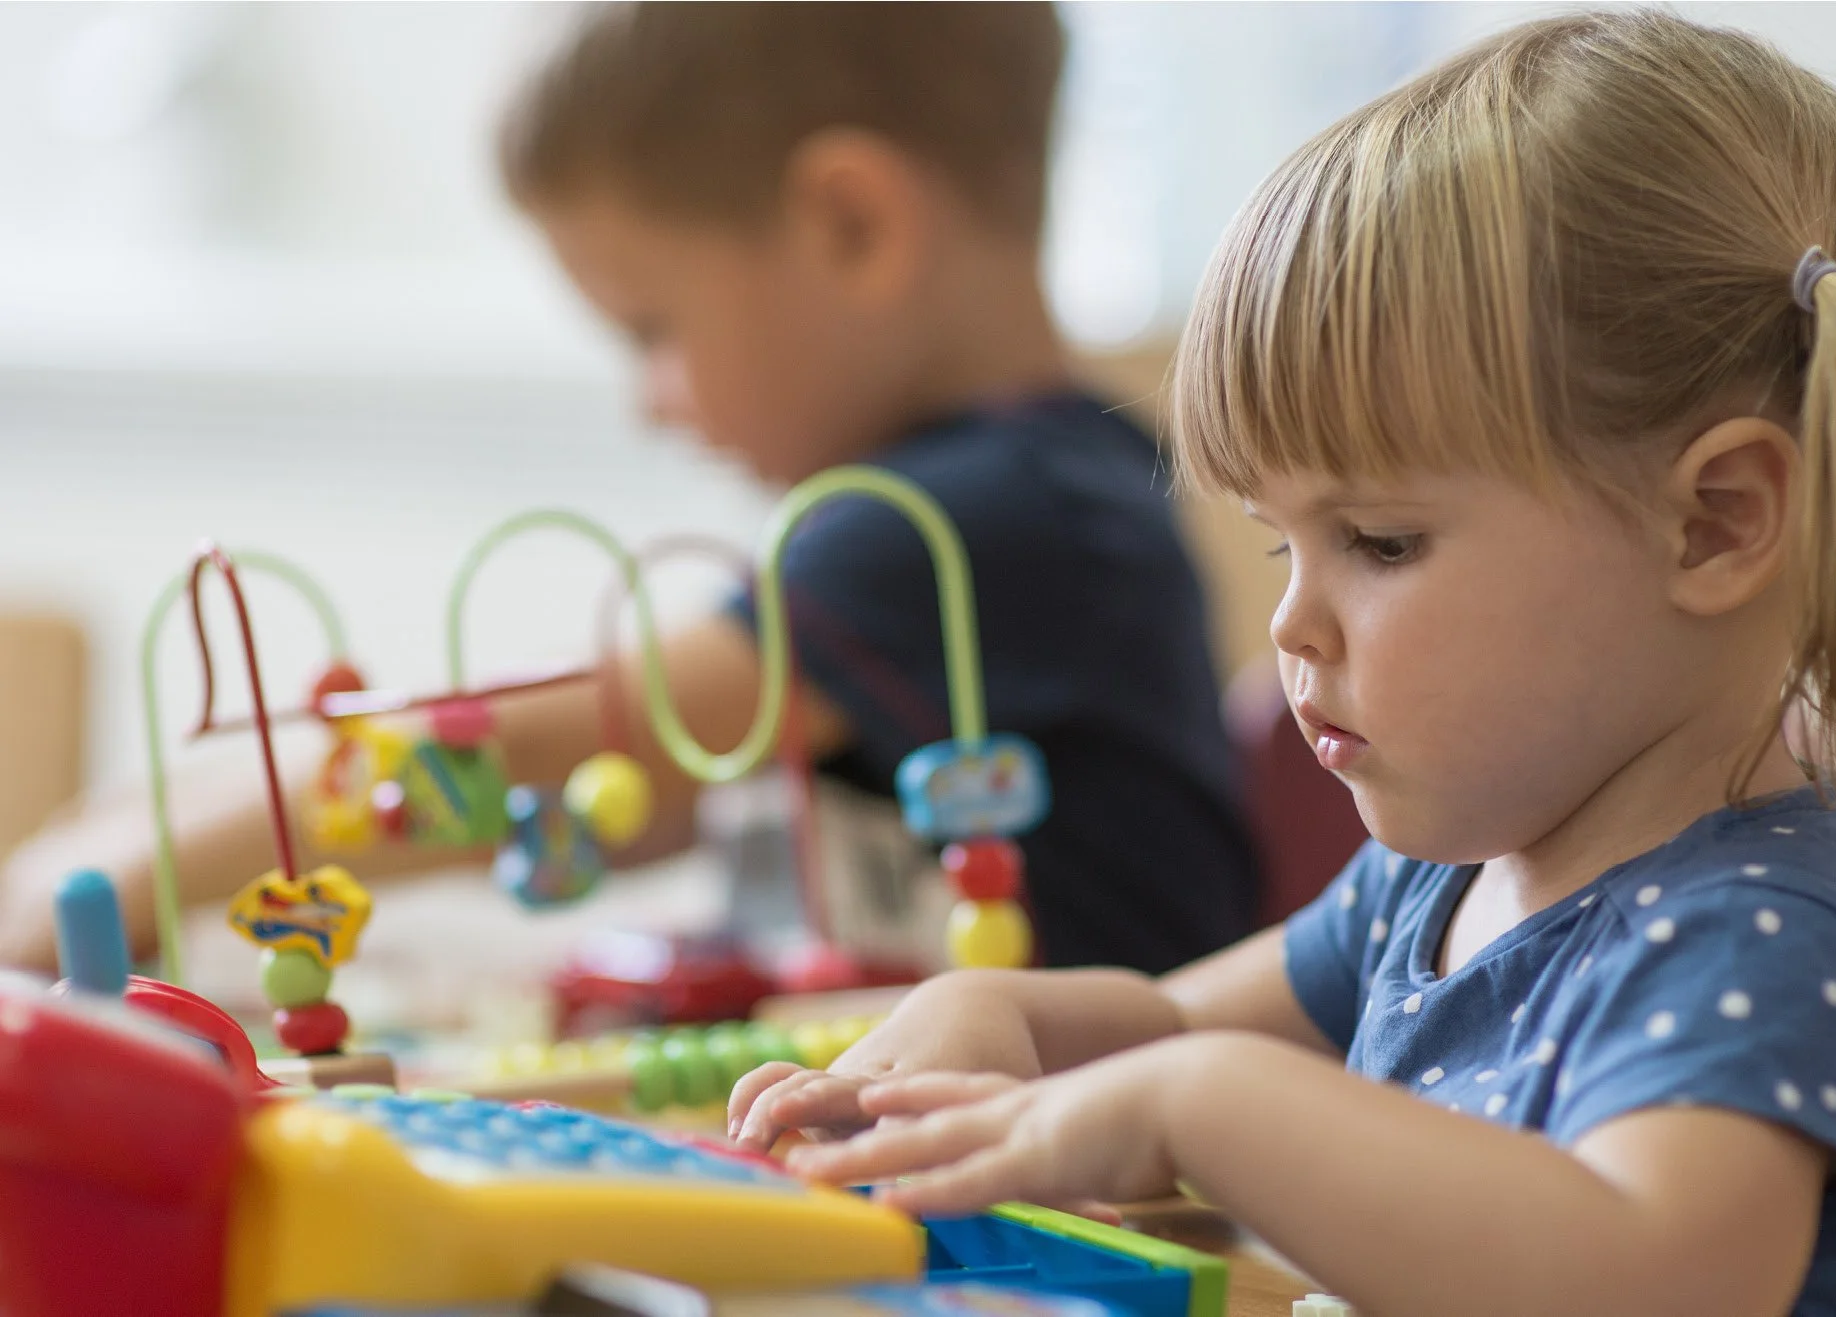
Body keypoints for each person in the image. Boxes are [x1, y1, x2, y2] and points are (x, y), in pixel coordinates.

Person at [726, 12, 1836, 1317]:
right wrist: (1004, 1017)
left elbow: (1641, 1269)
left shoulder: (1765, 942)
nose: (1288, 627)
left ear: (1714, 520)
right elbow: (1167, 1026)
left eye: (1379, 541)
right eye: (1281, 546)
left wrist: (1200, 1104)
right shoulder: (1439, 882)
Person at [0, 3, 1256, 976]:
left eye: (651, 327)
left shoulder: (966, 525)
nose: (650, 400)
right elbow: (618, 803)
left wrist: (119, 870)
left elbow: (533, 754)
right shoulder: (1049, 482)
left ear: (853, 228)